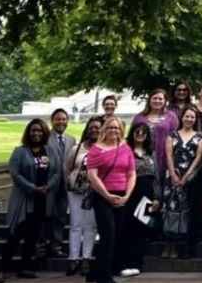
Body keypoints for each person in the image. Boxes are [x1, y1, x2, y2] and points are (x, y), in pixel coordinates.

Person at [0, 119, 61, 283]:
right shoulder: (20, 151)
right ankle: (3, 269)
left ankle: (25, 268)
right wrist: (32, 187)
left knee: (32, 235)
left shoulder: (50, 151)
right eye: (33, 130)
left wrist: (48, 187)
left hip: (42, 200)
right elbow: (15, 174)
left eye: (39, 130)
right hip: (24, 200)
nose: (36, 133)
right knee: (15, 234)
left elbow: (57, 172)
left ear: (45, 132)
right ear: (28, 132)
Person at [86, 118, 136, 283]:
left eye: (117, 128)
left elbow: (131, 173)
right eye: (110, 127)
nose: (114, 130)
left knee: (116, 235)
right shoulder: (96, 150)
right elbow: (92, 176)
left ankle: (94, 272)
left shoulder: (125, 148)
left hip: (122, 195)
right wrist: (107, 195)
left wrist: (127, 195)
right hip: (102, 196)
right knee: (108, 235)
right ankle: (104, 276)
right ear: (104, 129)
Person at [163, 107, 202, 259]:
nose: (189, 119)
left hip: (190, 179)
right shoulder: (172, 135)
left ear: (195, 120)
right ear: (182, 118)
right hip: (172, 177)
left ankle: (181, 247)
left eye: (192, 117)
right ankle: (168, 245)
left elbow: (198, 158)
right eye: (187, 116)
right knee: (169, 210)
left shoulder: (199, 137)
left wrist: (186, 176)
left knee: (185, 212)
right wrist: (173, 174)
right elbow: (168, 155)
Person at [119, 123, 160, 277]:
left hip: (147, 196)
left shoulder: (151, 153)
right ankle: (124, 263)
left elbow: (156, 177)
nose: (140, 135)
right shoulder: (125, 151)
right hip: (130, 194)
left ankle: (137, 263)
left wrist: (157, 198)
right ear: (132, 134)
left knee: (142, 229)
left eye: (144, 133)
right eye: (137, 132)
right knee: (127, 229)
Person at [64, 116, 103, 277]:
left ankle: (86, 258)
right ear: (87, 129)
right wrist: (71, 182)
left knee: (91, 226)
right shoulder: (77, 148)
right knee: (75, 224)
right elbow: (67, 167)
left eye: (98, 127)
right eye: (92, 127)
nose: (94, 130)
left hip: (94, 192)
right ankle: (73, 258)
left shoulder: (104, 148)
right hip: (76, 191)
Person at [45, 108, 75, 258]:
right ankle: (42, 246)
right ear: (52, 120)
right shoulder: (45, 138)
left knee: (61, 216)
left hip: (65, 185)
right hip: (48, 185)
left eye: (64, 119)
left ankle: (56, 245)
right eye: (58, 119)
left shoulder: (71, 140)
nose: (61, 122)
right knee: (46, 215)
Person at [131, 88, 179, 176]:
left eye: (160, 99)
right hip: (143, 157)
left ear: (165, 101)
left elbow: (176, 138)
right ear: (149, 100)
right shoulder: (139, 117)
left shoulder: (171, 117)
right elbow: (132, 138)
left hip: (164, 156)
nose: (157, 101)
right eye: (154, 98)